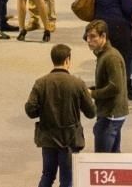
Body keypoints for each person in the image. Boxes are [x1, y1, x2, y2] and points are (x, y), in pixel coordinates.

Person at [26, 43, 96, 187]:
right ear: (67, 60)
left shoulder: (41, 83)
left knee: (47, 175)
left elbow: (30, 110)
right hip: (70, 140)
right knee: (67, 178)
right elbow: (91, 112)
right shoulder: (78, 84)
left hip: (48, 138)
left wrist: (44, 109)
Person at [85, 19, 129, 153]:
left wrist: (93, 93)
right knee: (113, 158)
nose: (88, 40)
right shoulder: (104, 55)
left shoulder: (111, 58)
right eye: (87, 36)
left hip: (111, 114)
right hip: (111, 112)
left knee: (102, 159)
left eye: (92, 36)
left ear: (103, 36)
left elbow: (115, 87)